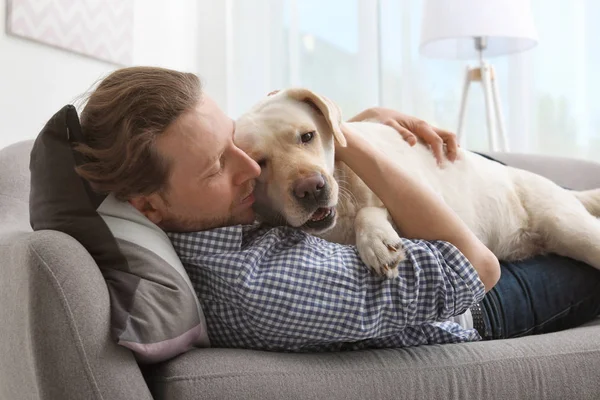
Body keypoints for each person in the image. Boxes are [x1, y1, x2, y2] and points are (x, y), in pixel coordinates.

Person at [74, 66, 600, 352]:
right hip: (479, 287)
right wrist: (352, 142)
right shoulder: (267, 287)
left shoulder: (219, 212)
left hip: (457, 186)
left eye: (236, 147)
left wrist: (344, 125)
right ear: (150, 206)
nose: (253, 172)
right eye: (220, 165)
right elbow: (476, 267)